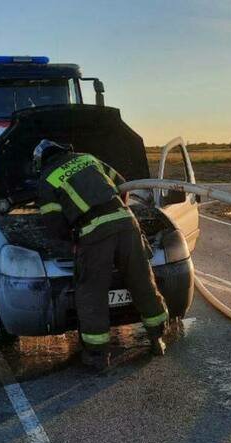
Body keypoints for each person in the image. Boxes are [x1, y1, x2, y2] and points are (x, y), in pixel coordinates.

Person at [34, 139, 169, 368]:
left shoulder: (47, 178)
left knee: (92, 292)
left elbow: (54, 223)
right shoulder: (87, 158)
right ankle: (158, 337)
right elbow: (122, 185)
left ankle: (98, 356)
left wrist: (72, 241)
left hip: (94, 233)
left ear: (41, 161)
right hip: (127, 223)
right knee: (142, 281)